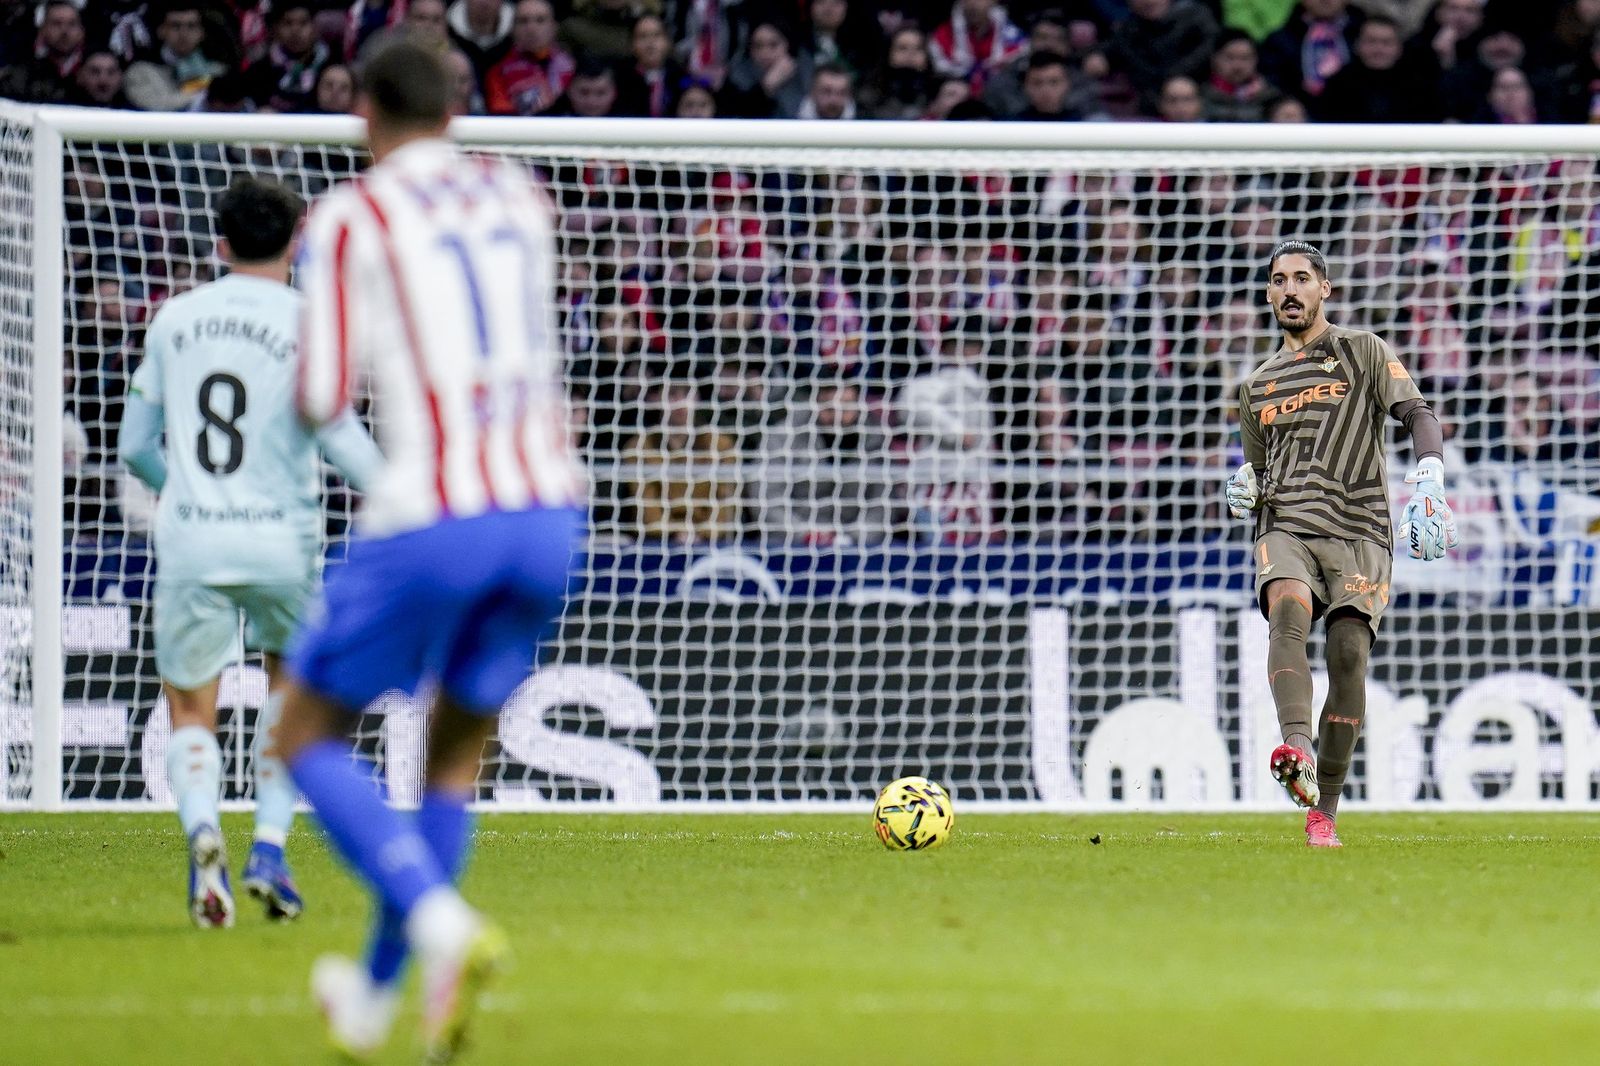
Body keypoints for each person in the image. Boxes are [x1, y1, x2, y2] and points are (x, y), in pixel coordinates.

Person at [273, 38, 587, 1061]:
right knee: (453, 753)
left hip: (434, 515)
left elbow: (320, 397)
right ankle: (372, 1001)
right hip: (547, 509)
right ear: (458, 105)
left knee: (303, 734)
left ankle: (436, 917)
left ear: (364, 109)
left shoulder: (354, 214)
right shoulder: (519, 194)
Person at [117, 177, 382, 928]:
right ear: (297, 240)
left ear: (220, 244)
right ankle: (269, 845)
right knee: (292, 697)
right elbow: (340, 441)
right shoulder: (311, 324)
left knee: (191, 710)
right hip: (283, 542)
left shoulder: (174, 319)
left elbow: (135, 447)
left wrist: (189, 491)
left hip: (195, 538)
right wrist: (400, 497)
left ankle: (205, 833)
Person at [1225, 241, 1456, 848]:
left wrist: (1429, 473)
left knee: (1349, 657)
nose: (1290, 290)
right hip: (1289, 523)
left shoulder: (1363, 351)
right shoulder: (1257, 386)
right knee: (1287, 607)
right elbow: (1256, 472)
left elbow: (1418, 414)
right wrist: (1246, 487)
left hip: (1360, 528)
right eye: (1279, 280)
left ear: (1325, 288)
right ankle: (1296, 748)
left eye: (1302, 278)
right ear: (1270, 293)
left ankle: (1323, 809)